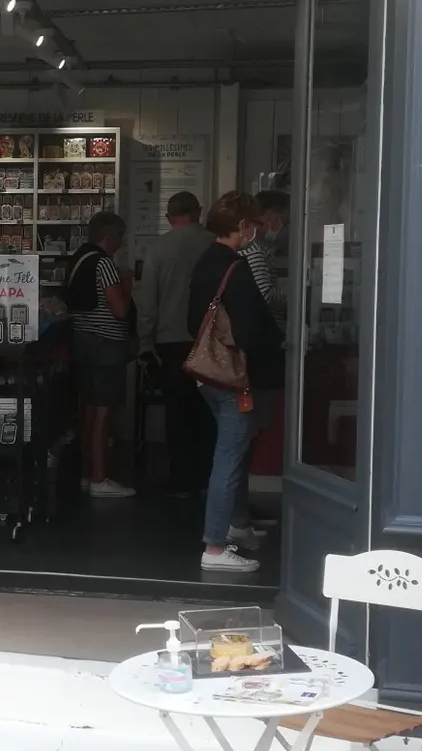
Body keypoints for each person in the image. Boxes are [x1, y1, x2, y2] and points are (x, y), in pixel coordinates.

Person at [188, 192, 286, 572]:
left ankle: (239, 525)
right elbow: (252, 331)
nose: (255, 232)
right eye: (253, 225)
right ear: (242, 227)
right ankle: (214, 547)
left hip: (208, 374)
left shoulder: (204, 264)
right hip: (235, 376)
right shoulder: (236, 267)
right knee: (229, 457)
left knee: (235, 450)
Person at [136, 191, 217, 496]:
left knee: (177, 413)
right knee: (208, 413)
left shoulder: (159, 248)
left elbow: (147, 303)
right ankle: (209, 478)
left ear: (169, 217)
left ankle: (181, 479)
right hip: (210, 341)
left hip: (170, 343)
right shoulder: (215, 243)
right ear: (199, 211)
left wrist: (145, 344)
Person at [67, 211, 135, 498]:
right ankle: (100, 478)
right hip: (107, 346)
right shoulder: (105, 264)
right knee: (103, 412)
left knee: (88, 410)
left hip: (82, 342)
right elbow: (119, 309)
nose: (120, 244)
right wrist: (127, 284)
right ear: (109, 237)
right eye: (119, 239)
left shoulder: (78, 259)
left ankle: (86, 474)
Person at [239, 189, 288, 330]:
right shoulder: (256, 251)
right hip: (267, 328)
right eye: (284, 221)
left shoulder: (257, 248)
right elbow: (265, 294)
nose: (285, 228)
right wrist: (295, 297)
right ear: (267, 216)